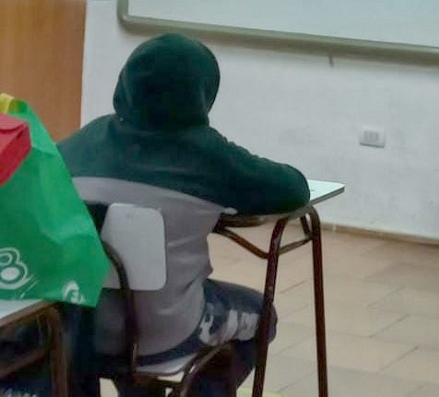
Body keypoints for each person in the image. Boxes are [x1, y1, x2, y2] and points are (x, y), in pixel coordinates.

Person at [57, 33, 310, 397]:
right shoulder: (209, 156)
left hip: (75, 330)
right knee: (262, 315)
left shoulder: (83, 142)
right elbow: (293, 189)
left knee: (123, 306)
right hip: (165, 333)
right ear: (203, 91)